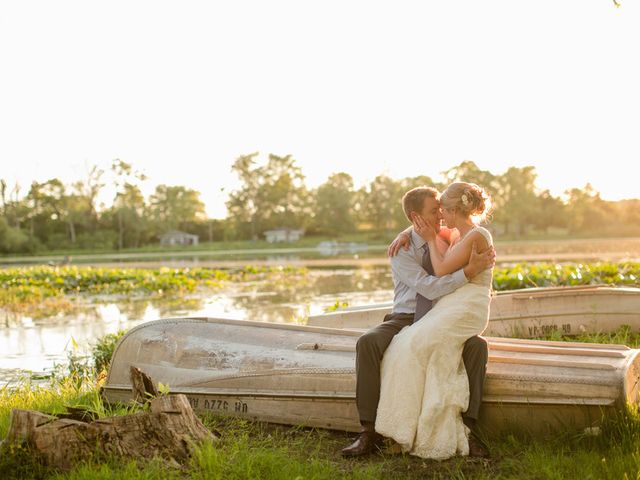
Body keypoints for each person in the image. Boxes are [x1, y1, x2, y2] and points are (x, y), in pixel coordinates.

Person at [341, 184, 495, 458]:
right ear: (416, 218)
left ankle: (468, 430)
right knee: (368, 342)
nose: (440, 216)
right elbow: (430, 287)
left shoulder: (448, 235)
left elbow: (465, 228)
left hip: (442, 315)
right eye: (434, 212)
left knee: (477, 347)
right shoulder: (401, 250)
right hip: (406, 317)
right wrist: (469, 272)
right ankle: (368, 430)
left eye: (441, 210)